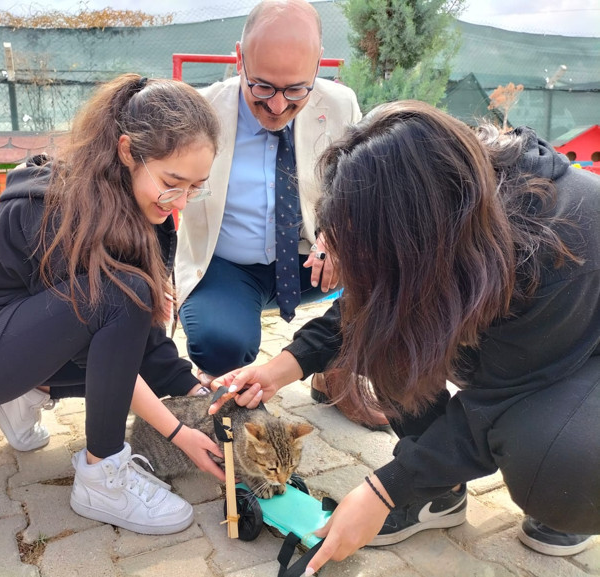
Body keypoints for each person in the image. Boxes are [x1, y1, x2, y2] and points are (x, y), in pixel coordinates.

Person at [211, 101, 600, 571]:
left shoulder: (553, 246)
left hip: (578, 346)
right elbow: (377, 303)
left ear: (417, 229)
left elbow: (492, 406)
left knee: (557, 460)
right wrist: (282, 366)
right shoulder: (440, 204)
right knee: (386, 337)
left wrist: (382, 490)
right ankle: (440, 495)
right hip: (522, 343)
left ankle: (572, 494)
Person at [0, 74, 226, 535]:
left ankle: (27, 393)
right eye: (172, 182)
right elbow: (106, 330)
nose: (179, 201)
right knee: (127, 296)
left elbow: (139, 340)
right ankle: (102, 476)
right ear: (127, 151)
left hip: (15, 337)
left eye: (195, 187)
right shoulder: (59, 210)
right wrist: (177, 432)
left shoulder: (148, 212)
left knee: (126, 308)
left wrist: (202, 396)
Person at [174, 0, 387, 428]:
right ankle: (232, 405)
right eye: (262, 87)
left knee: (391, 277)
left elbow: (360, 192)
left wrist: (338, 238)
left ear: (316, 70)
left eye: (295, 90)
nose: (276, 106)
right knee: (221, 341)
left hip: (312, 259)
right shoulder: (200, 112)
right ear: (239, 58)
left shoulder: (341, 105)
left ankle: (336, 371)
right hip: (227, 265)